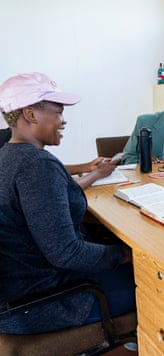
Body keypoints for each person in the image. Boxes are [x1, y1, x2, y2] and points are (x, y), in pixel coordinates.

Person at [0, 72, 135, 334]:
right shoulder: (37, 165)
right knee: (153, 283)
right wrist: (124, 254)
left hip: (17, 290)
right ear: (30, 114)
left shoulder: (8, 156)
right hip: (46, 301)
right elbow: (67, 253)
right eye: (58, 113)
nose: (63, 121)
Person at [0, 126, 120, 189]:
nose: (63, 121)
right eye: (57, 113)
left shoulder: (8, 137)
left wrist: (87, 167)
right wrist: (97, 174)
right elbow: (55, 190)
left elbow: (47, 171)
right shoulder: (37, 158)